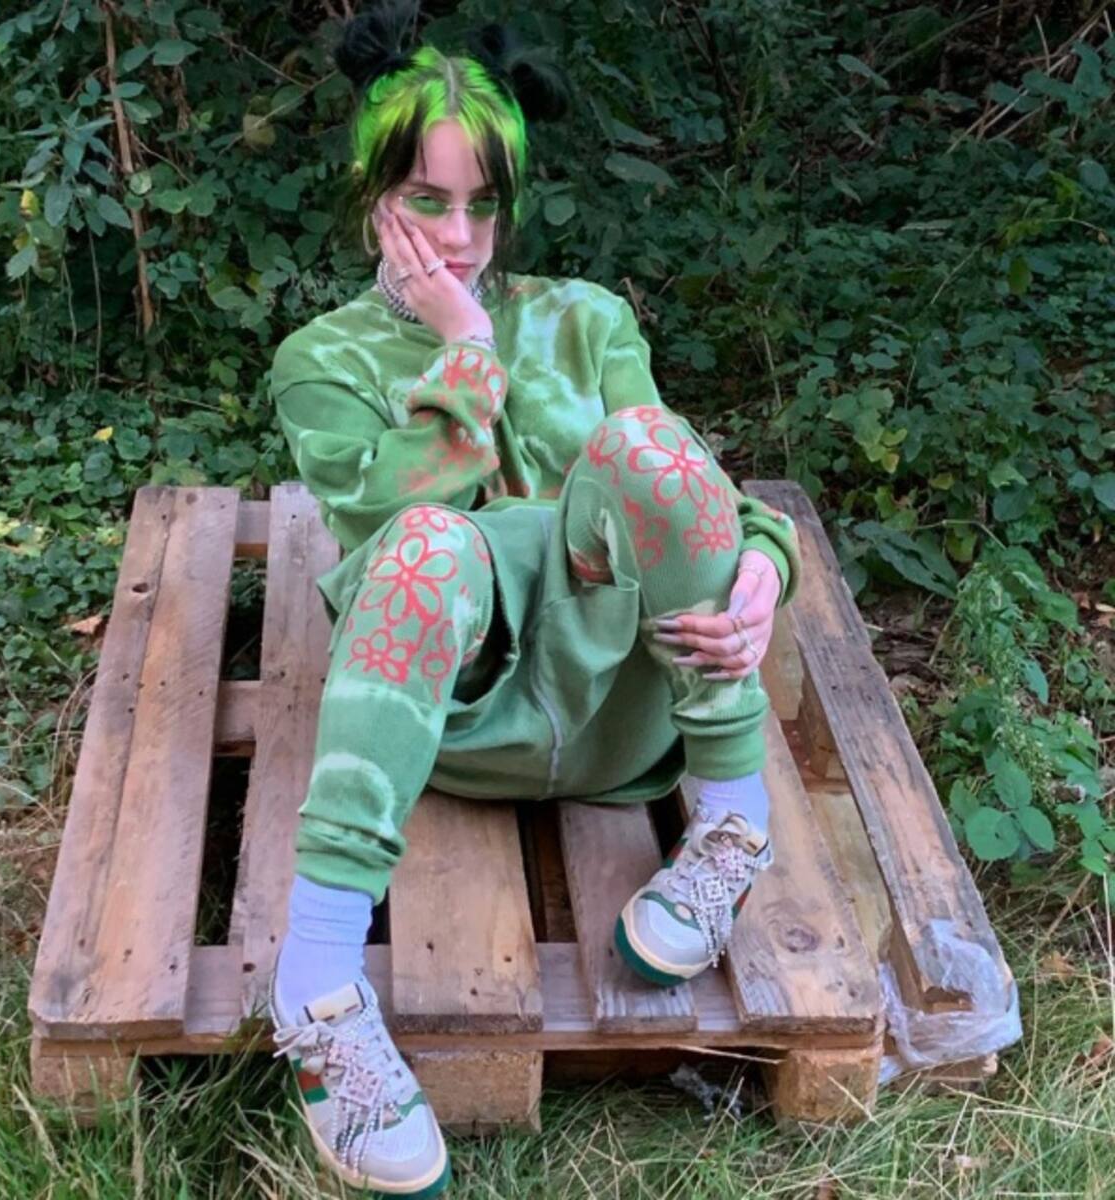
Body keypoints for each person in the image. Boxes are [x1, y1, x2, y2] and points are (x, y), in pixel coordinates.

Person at [265, 5, 800, 1195]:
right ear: (372, 197)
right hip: (453, 722)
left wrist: (764, 565)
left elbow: (686, 475)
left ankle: (731, 819)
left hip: (626, 705)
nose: (460, 238)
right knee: (423, 545)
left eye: (483, 205)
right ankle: (315, 985)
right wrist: (464, 344)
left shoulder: (587, 317)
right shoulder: (323, 361)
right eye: (426, 200)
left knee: (644, 445)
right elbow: (391, 508)